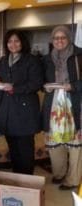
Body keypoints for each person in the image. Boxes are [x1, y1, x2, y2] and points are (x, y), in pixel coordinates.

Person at [0, 29, 43, 175]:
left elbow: (36, 83)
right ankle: (17, 179)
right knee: (13, 148)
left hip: (24, 111)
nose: (12, 44)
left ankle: (27, 180)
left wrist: (14, 88)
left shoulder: (32, 60)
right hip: (7, 110)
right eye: (9, 41)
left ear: (22, 42)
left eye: (16, 41)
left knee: (25, 150)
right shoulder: (3, 60)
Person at [42, 25, 82, 190]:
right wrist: (45, 87)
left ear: (69, 38)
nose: (59, 41)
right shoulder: (47, 58)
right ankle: (59, 173)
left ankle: (73, 179)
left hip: (74, 102)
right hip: (53, 104)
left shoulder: (79, 55)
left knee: (75, 142)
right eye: (56, 38)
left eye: (63, 37)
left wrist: (72, 86)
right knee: (54, 140)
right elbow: (41, 80)